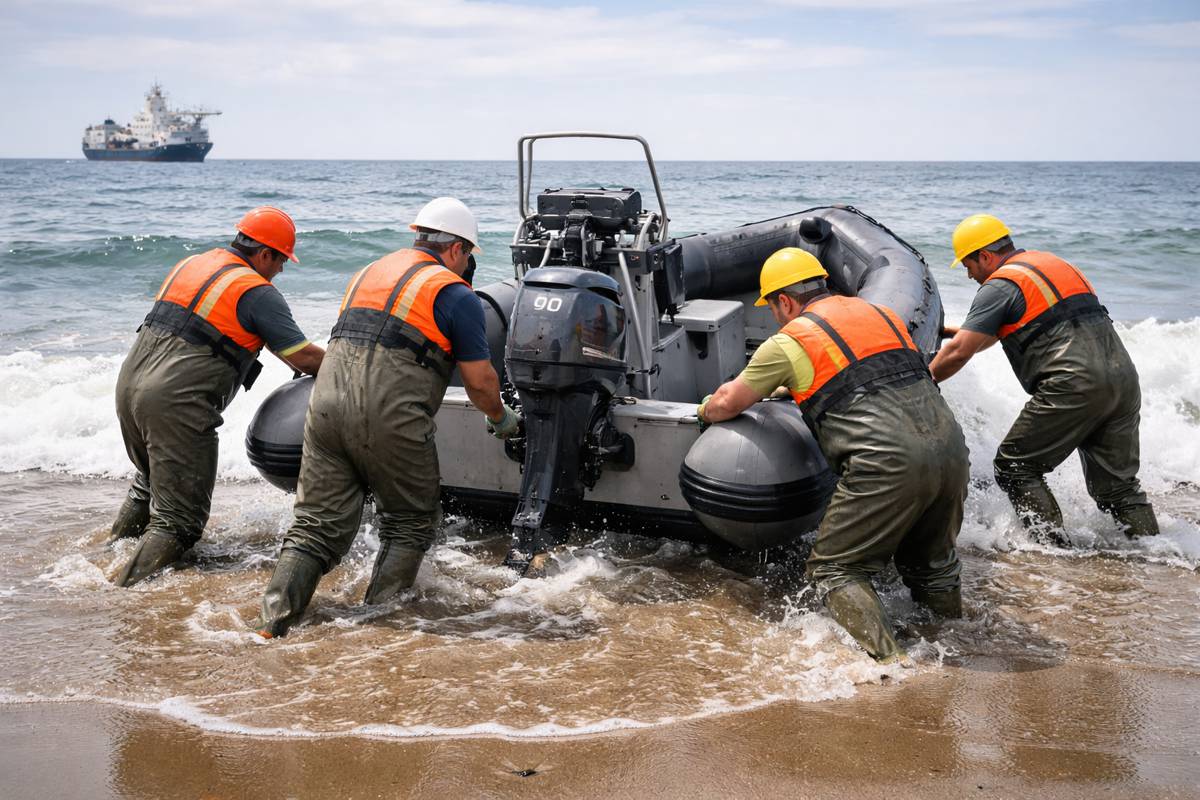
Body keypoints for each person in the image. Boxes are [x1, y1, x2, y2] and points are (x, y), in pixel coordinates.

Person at [252, 197, 521, 638]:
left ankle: (270, 624)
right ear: (457, 249)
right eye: (469, 254)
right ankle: (377, 626)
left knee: (314, 526)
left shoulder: (367, 274)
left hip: (323, 409)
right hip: (390, 417)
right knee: (411, 521)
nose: (467, 263)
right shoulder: (455, 295)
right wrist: (501, 419)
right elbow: (479, 380)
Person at [698, 248, 969, 663]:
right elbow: (864, 373)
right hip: (951, 449)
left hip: (886, 465)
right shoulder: (882, 315)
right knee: (930, 563)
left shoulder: (790, 340)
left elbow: (727, 402)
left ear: (784, 301)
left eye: (772, 307)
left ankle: (895, 667)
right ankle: (959, 641)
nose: (775, 316)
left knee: (835, 569)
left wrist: (701, 411)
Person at [110, 207, 325, 586]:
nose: (281, 270)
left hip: (128, 387)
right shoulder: (258, 293)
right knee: (179, 522)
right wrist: (352, 370)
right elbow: (303, 356)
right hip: (176, 405)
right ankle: (119, 591)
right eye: (281, 261)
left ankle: (106, 556)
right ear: (264, 254)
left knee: (150, 482)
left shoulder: (193, 264)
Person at [930, 214, 1158, 545]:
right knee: (1119, 487)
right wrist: (955, 331)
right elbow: (1012, 329)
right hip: (1122, 380)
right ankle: (1158, 555)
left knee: (1015, 466)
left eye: (968, 264)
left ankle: (1052, 551)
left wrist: (924, 381)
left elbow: (958, 354)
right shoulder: (1054, 265)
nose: (968, 275)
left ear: (985, 256)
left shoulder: (999, 285)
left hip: (1073, 385)